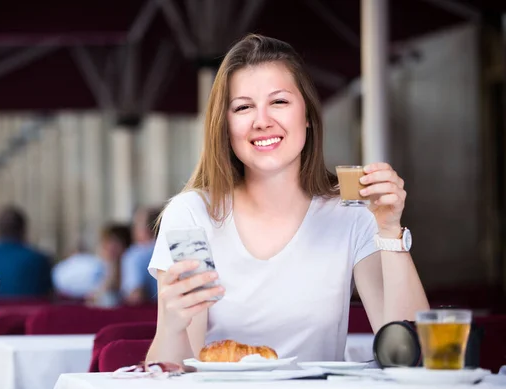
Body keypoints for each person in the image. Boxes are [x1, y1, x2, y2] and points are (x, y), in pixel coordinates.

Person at [145, 34, 429, 365]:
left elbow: (411, 353)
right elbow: (176, 370)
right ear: (224, 125)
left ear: (307, 114)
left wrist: (390, 230)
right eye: (243, 107)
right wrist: (173, 325)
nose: (262, 120)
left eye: (279, 102)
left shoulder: (352, 213)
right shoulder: (192, 215)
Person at [119, 206, 162, 305]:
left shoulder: (135, 255)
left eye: (135, 225)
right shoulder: (173, 249)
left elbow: (136, 295)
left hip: (146, 314)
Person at [85, 223, 132, 307]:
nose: (110, 247)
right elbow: (92, 299)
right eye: (107, 242)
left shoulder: (130, 267)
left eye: (116, 242)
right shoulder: (98, 268)